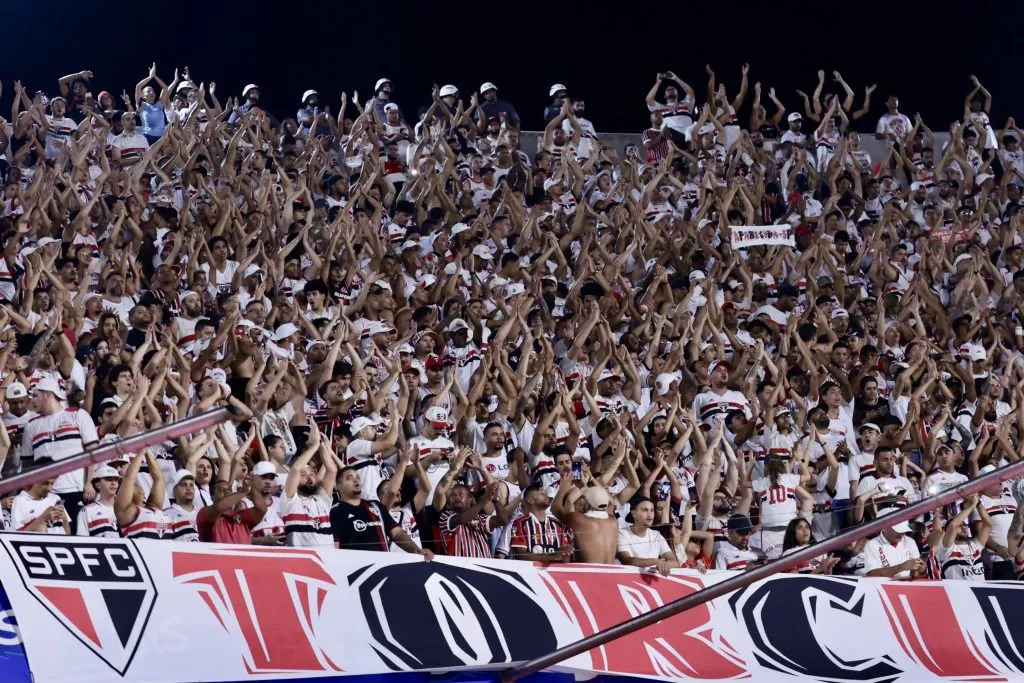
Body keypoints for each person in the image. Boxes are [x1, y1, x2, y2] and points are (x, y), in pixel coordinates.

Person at [20, 376, 99, 528]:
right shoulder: (30, 425)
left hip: (76, 490)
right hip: (44, 494)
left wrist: (90, 482)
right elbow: (27, 464)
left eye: (36, 395)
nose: (32, 400)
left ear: (47, 395)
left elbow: (93, 451)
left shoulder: (78, 415)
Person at [331, 465, 432, 558]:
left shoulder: (375, 506)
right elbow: (334, 547)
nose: (355, 480)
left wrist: (417, 550)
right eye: (349, 478)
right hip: (357, 571)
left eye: (357, 477)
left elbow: (396, 533)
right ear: (337, 486)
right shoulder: (335, 512)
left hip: (382, 568)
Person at [281, 423, 336, 547]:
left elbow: (332, 470)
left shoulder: (322, 499)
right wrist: (315, 445)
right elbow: (295, 468)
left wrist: (321, 444)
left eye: (312, 473)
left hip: (329, 560)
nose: (310, 477)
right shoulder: (290, 500)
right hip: (301, 561)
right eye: (304, 474)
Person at [508, 484, 574, 562]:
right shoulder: (520, 523)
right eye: (540, 492)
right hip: (530, 572)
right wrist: (553, 556)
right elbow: (521, 555)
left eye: (545, 492)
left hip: (554, 573)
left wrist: (565, 553)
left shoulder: (558, 525)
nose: (545, 494)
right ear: (530, 500)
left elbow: (565, 557)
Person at [114, 449, 169, 540]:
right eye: (133, 485)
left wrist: (146, 451)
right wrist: (141, 452)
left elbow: (159, 479)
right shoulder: (126, 512)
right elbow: (129, 478)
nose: (138, 485)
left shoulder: (153, 507)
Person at [617, 497, 678, 576]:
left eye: (652, 510)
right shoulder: (622, 533)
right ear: (633, 513)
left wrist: (662, 565)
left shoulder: (656, 535)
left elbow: (674, 562)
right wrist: (655, 562)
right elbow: (627, 560)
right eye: (645, 510)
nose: (650, 515)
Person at [863, 507, 927, 579]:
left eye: (903, 531)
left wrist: (921, 570)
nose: (902, 534)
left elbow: (916, 574)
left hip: (907, 587)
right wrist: (902, 567)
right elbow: (873, 573)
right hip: (883, 587)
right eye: (898, 530)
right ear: (885, 526)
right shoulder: (872, 544)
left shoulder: (910, 542)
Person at [75, 465, 121, 538]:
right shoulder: (87, 511)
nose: (113, 483)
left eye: (116, 480)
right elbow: (82, 542)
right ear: (97, 485)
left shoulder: (127, 508)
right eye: (108, 479)